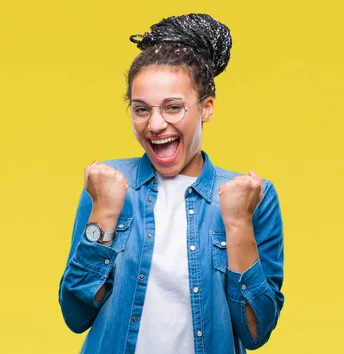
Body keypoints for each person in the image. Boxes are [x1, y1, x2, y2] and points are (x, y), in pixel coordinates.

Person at [58, 13, 285, 354]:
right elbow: (75, 315)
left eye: (173, 107)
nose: (155, 124)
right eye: (141, 109)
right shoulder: (106, 185)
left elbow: (256, 333)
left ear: (206, 108)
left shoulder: (253, 197)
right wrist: (103, 213)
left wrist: (238, 223)